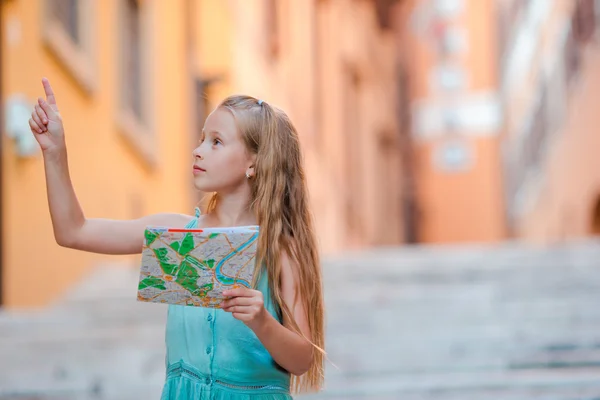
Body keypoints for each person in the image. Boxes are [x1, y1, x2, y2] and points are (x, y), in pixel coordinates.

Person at [28, 78, 325, 399]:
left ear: (253, 161)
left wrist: (263, 321)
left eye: (216, 142)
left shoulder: (281, 248)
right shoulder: (176, 233)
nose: (197, 151)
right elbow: (74, 231)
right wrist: (54, 153)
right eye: (201, 139)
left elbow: (302, 360)